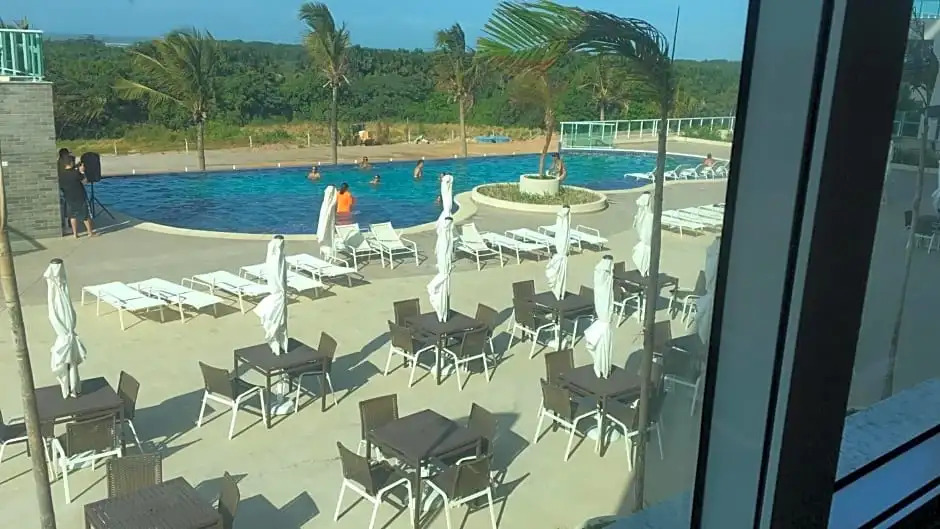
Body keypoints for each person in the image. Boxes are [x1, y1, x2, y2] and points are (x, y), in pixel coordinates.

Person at [59, 156, 95, 238]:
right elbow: (85, 182)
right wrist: (82, 172)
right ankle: (90, 232)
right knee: (85, 215)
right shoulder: (76, 173)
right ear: (71, 163)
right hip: (80, 196)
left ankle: (75, 234)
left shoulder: (61, 175)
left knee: (72, 216)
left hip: (68, 197)